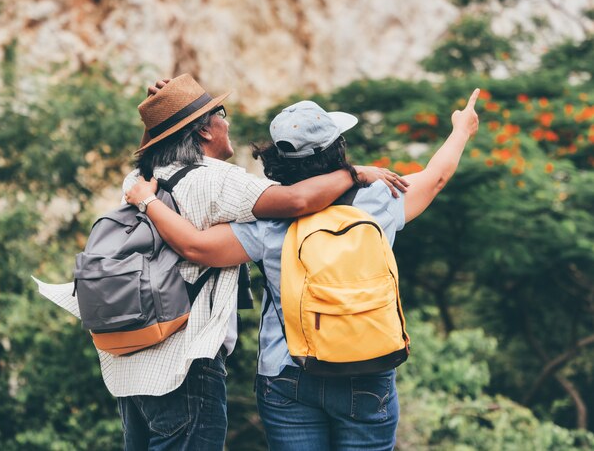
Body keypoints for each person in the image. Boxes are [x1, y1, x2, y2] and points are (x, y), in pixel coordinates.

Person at [125, 90, 480, 450]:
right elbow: (436, 177)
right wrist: (461, 129)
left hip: (287, 371)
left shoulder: (265, 221)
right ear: (337, 148)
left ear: (279, 158)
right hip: (368, 369)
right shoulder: (379, 199)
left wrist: (148, 200)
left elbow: (194, 247)